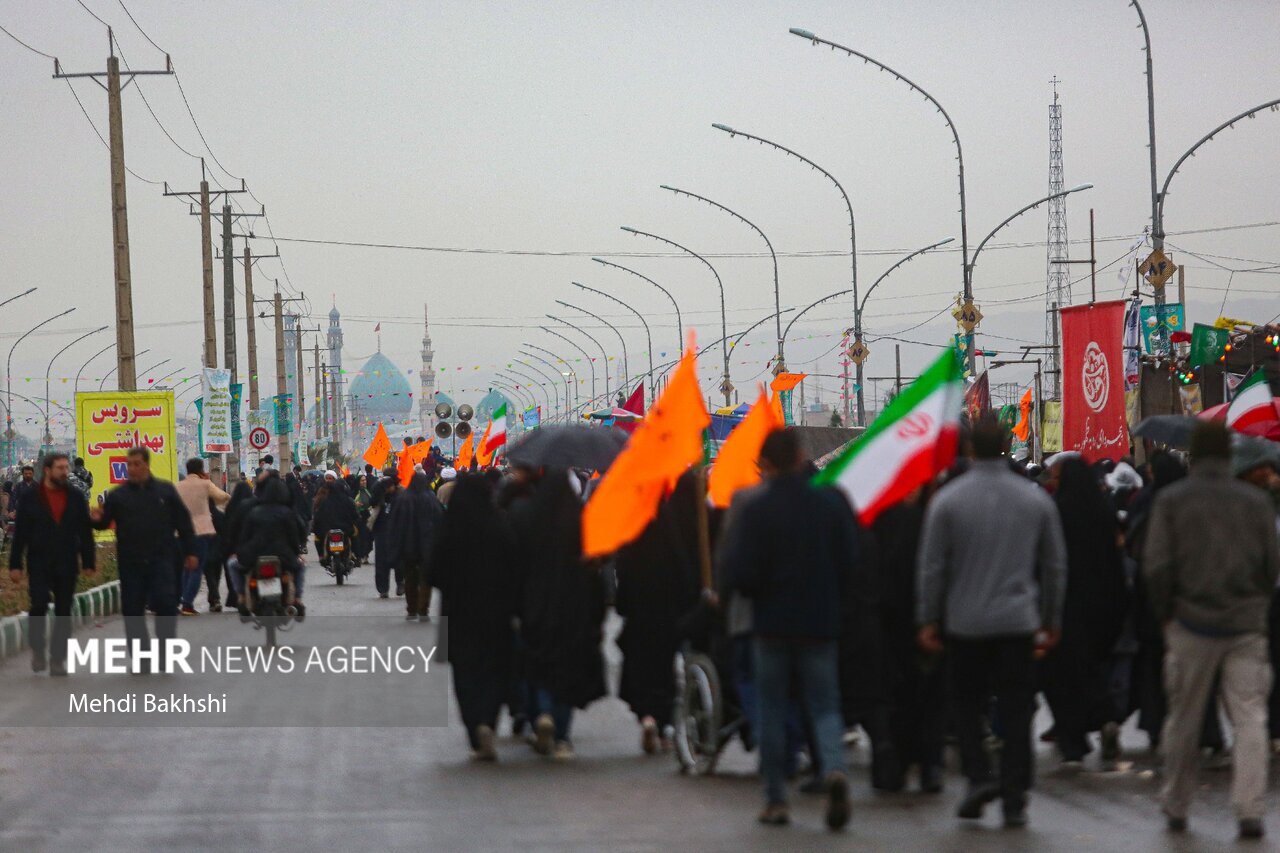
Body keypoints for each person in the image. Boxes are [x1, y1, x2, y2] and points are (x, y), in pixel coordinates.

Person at [916, 418, 1067, 829]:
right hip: (1018, 624)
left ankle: (979, 776)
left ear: (968, 451)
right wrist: (1051, 619)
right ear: (1004, 447)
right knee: (1017, 711)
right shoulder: (1035, 499)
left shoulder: (947, 501)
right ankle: (1015, 795)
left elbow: (932, 568)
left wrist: (928, 618)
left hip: (965, 625)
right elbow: (1054, 566)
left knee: (966, 707)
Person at [1146, 422, 1280, 840]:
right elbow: (1270, 564)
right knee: (1250, 719)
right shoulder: (1256, 502)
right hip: (1245, 625)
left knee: (1184, 719)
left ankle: (1177, 803)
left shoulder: (1171, 500)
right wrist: (1256, 604)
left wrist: (1166, 612)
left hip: (1190, 623)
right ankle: (1250, 810)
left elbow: (1156, 565)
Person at [722, 428, 855, 831]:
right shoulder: (831, 503)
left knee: (773, 710)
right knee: (825, 705)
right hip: (820, 621)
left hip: (771, 625)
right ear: (800, 456)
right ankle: (833, 769)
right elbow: (850, 560)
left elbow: (740, 572)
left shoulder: (757, 510)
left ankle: (776, 799)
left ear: (764, 463)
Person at [509, 469, 606, 761]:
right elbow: (596, 564)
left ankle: (541, 712)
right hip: (572, 604)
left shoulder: (527, 516)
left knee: (537, 661)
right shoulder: (580, 518)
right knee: (566, 668)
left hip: (534, 603)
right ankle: (562, 737)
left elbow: (515, 560)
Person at [1041, 458, 1129, 767]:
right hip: (1103, 605)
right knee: (1092, 670)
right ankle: (1104, 718)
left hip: (1066, 606)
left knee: (1061, 676)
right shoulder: (1103, 511)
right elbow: (1116, 560)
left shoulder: (1056, 511)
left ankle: (1073, 741)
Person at [430, 473, 519, 759]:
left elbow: (431, 572)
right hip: (496, 613)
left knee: (465, 675)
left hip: (456, 615)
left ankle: (474, 729)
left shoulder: (449, 529)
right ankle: (488, 722)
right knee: (494, 671)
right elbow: (516, 567)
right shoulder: (499, 526)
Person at [615, 471, 702, 754]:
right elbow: (681, 568)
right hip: (667, 611)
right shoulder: (672, 524)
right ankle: (664, 724)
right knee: (665, 669)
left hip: (640, 610)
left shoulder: (635, 523)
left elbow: (624, 567)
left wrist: (623, 601)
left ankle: (647, 717)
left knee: (641, 666)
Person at [89, 446, 197, 671]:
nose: (132, 469)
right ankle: (141, 657)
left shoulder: (165, 492)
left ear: (146, 465)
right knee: (133, 610)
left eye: (136, 464)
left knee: (166, 605)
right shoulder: (118, 496)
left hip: (162, 559)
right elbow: (103, 522)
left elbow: (183, 522)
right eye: (129, 464)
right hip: (131, 562)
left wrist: (191, 552)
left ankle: (165, 653)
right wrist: (95, 519)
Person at [8, 453, 96, 675]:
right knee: (38, 605)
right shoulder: (30, 498)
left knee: (64, 610)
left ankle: (58, 658)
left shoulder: (75, 496)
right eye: (60, 468)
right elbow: (21, 534)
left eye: (66, 467)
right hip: (39, 561)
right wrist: (15, 564)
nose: (65, 471)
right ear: (47, 470)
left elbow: (85, 531)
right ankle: (38, 649)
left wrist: (88, 561)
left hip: (67, 562)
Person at [233, 474, 308, 620]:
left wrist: (240, 552)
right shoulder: (287, 513)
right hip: (283, 556)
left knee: (233, 565)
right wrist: (297, 553)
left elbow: (244, 536)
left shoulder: (254, 512)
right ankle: (297, 599)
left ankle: (242, 597)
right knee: (300, 567)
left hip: (254, 555)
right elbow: (294, 538)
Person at [174, 458, 231, 615]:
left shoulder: (178, 486)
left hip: (181, 533)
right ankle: (187, 604)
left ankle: (179, 599)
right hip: (201, 531)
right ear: (201, 470)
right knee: (197, 568)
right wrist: (207, 484)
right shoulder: (205, 484)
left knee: (185, 568)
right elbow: (223, 497)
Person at [388, 471, 444, 622]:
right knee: (426, 578)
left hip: (408, 546)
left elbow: (395, 523)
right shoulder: (431, 499)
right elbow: (440, 521)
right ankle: (423, 609)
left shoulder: (403, 499)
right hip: (428, 546)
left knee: (410, 578)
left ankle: (411, 609)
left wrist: (395, 543)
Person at [311, 472, 361, 574]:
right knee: (355, 534)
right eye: (327, 478)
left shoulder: (325, 500)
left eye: (331, 478)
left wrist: (315, 526)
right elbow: (354, 515)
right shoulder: (347, 500)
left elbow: (318, 516)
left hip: (326, 529)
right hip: (345, 529)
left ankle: (322, 556)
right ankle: (356, 554)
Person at [368, 469, 402, 598]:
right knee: (381, 560)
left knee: (399, 559)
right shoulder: (378, 490)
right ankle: (383, 589)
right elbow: (372, 502)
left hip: (397, 531)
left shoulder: (401, 493)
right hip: (381, 530)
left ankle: (400, 582)